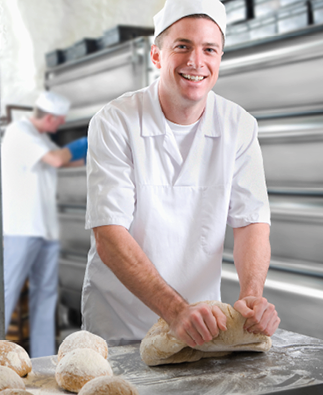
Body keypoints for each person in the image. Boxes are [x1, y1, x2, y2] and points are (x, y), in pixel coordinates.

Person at [82, 0, 280, 347]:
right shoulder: (115, 122)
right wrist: (175, 311)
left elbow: (251, 221)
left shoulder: (239, 126)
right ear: (157, 55)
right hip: (121, 325)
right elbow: (109, 236)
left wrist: (251, 294)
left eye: (209, 49)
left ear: (220, 58)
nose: (196, 62)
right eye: (182, 46)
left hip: (202, 328)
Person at [2, 91, 88, 357]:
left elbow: (64, 162)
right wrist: (89, 138)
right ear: (49, 117)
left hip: (47, 231)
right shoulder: (19, 132)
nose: (59, 126)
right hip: (21, 229)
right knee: (6, 293)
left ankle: (41, 360)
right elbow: (57, 159)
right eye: (58, 121)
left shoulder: (40, 138)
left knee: (46, 297)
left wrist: (95, 153)